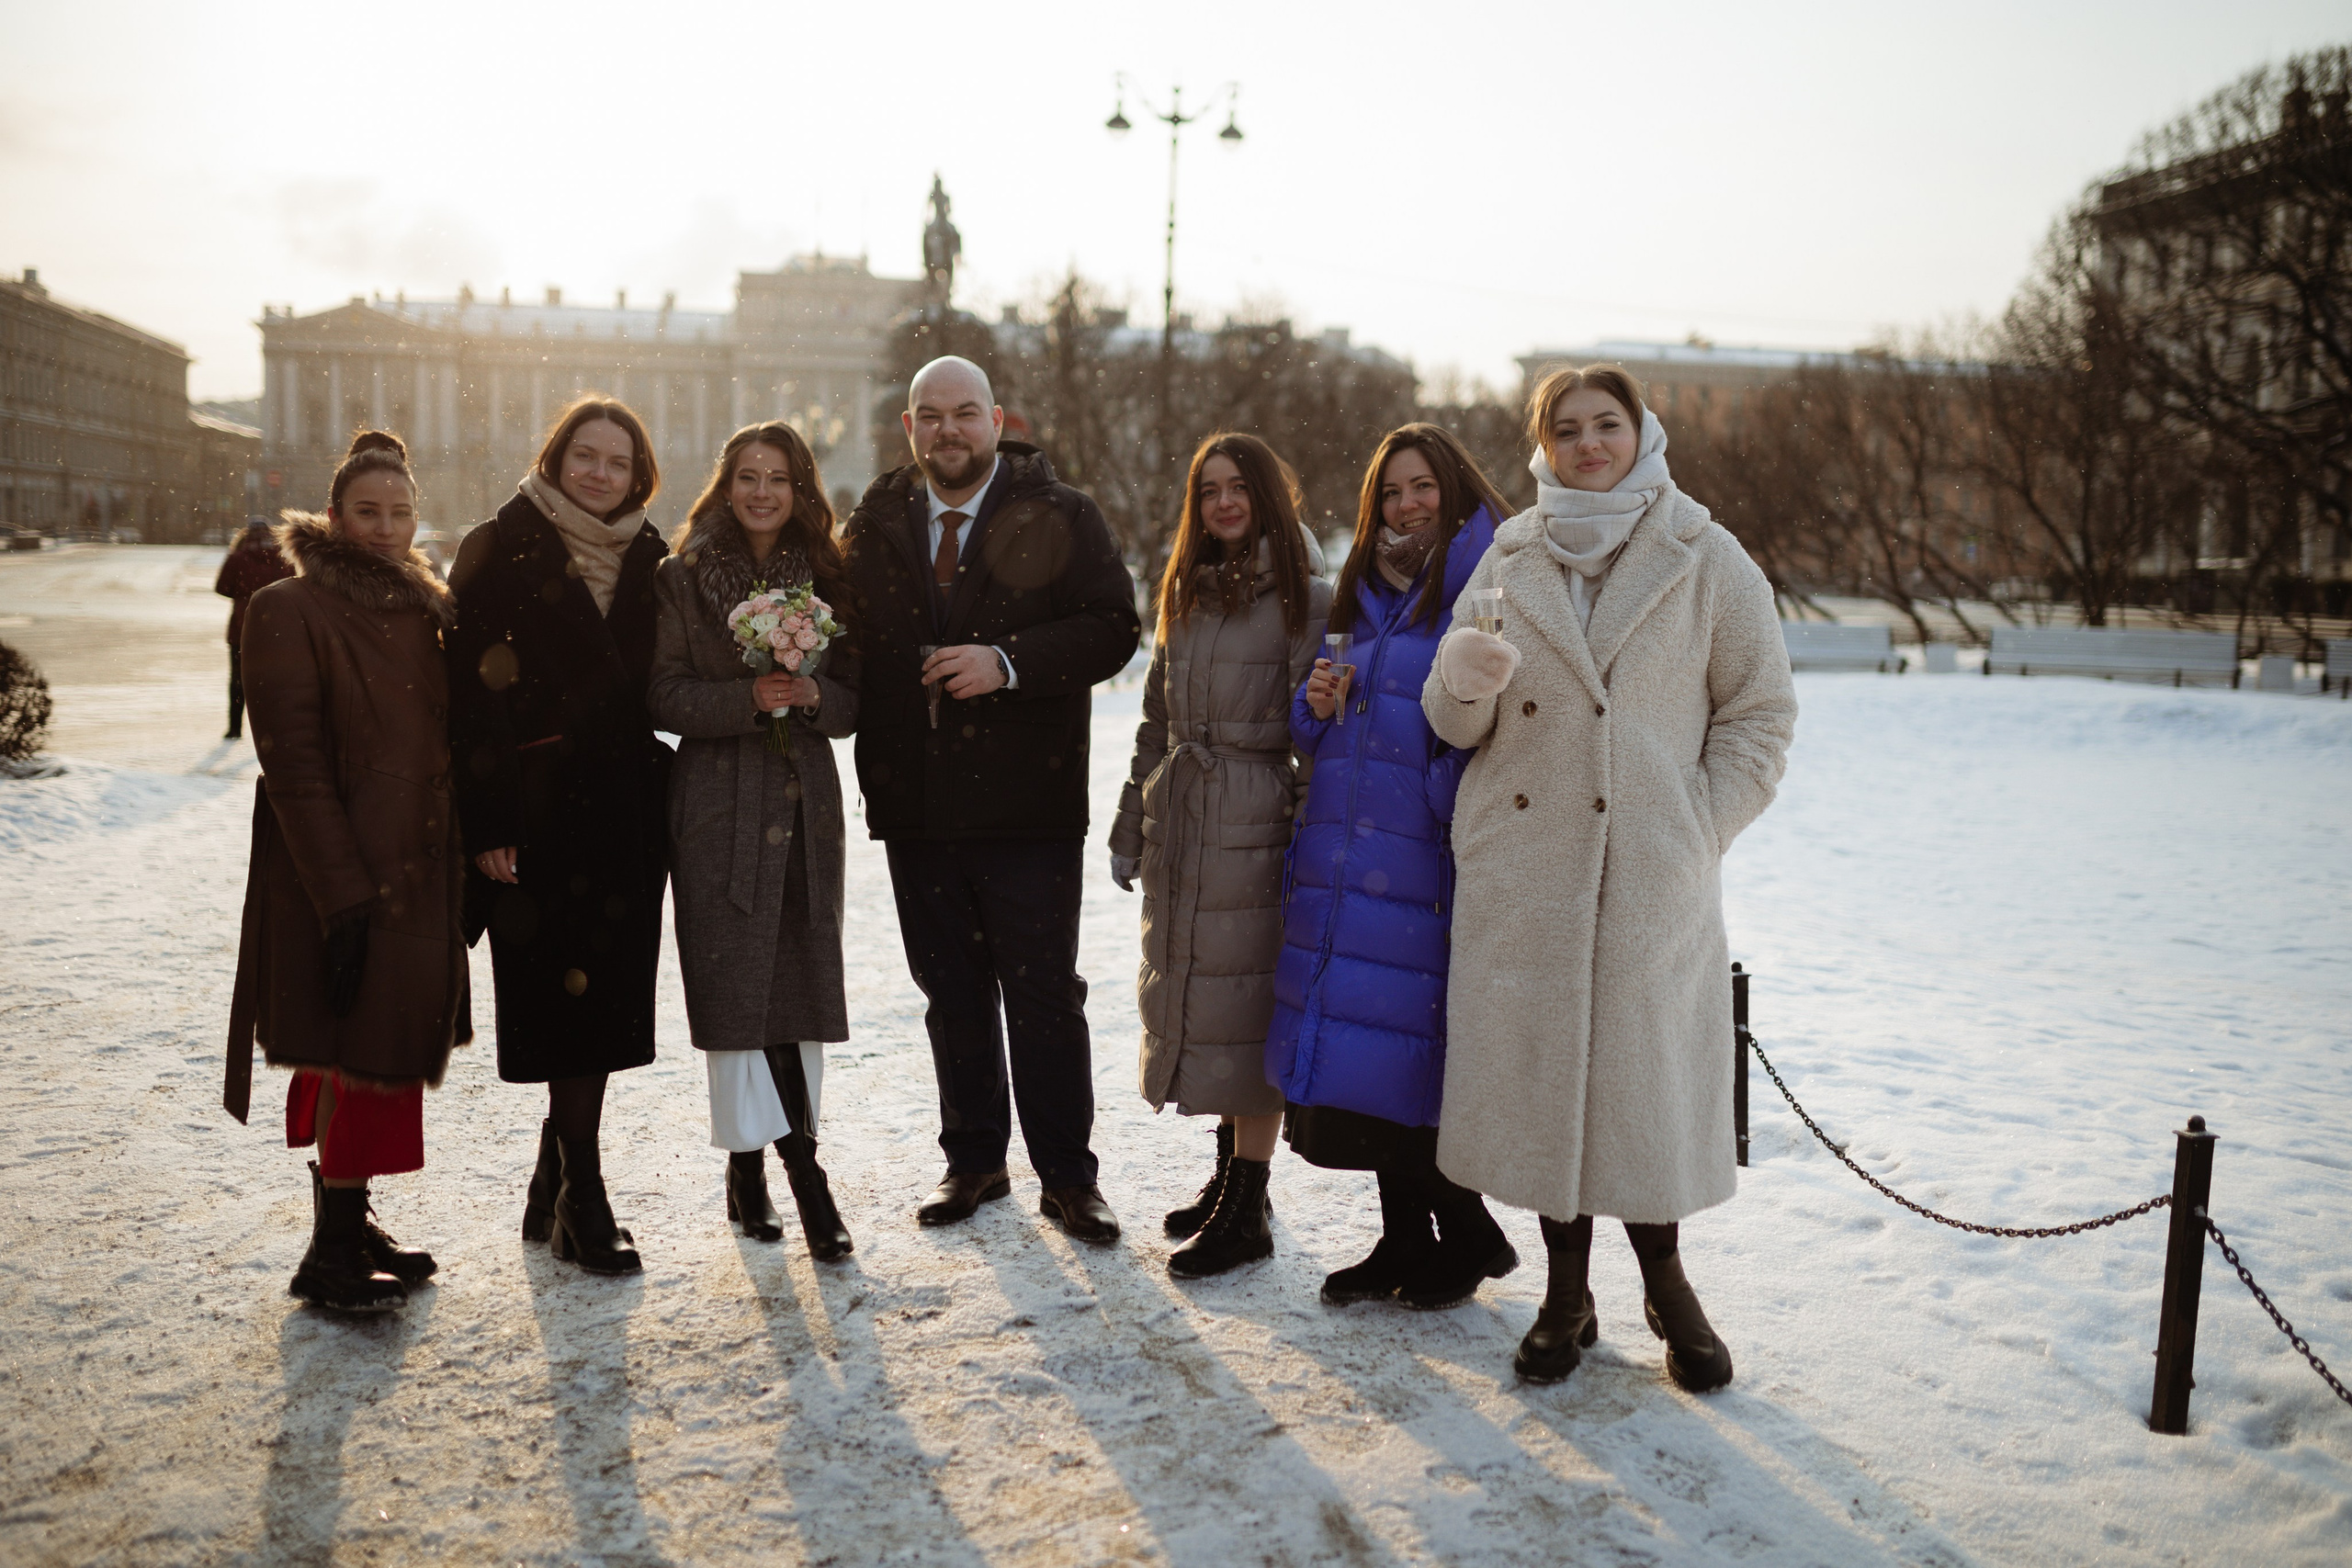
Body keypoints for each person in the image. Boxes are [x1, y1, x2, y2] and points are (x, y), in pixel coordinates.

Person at [1423, 366, 1797, 1391]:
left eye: (1606, 426)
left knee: (1639, 1087)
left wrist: (1691, 829)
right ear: (1543, 446)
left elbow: (1760, 715)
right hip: (1528, 870)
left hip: (1647, 877)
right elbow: (1454, 722)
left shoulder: (1705, 557)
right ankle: (1564, 1291)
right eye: (1568, 430)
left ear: (1641, 433)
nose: (1589, 445)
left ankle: (1667, 1285)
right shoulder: (1509, 557)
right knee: (1550, 1082)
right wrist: (1457, 679)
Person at [842, 355, 1141, 1242]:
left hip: (1027, 806)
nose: (948, 430)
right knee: (952, 993)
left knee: (1045, 994)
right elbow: (850, 641)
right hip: (917, 805)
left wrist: (1005, 662)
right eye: (930, 415)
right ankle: (974, 1159)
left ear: (997, 420)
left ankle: (1069, 1177)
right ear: (909, 428)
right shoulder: (874, 524)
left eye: (965, 413)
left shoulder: (1060, 511)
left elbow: (1111, 628)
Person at [1264, 423, 1518, 1310]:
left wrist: (1438, 792)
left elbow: (1499, 736)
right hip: (1349, 859)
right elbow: (1323, 734)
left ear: (1453, 490)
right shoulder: (1366, 593)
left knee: (1415, 1061)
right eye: (1390, 494)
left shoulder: (1490, 587)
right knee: (1378, 1066)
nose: (1406, 506)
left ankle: (1472, 1235)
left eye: (1422, 488)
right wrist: (1316, 705)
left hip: (1425, 864)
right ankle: (1404, 1239)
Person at [222, 432, 467, 1313]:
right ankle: (329, 1254)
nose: (387, 529)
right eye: (368, 512)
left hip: (415, 865)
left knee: (368, 1057)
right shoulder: (288, 605)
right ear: (332, 517)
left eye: (401, 513)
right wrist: (342, 895)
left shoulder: (426, 607)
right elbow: (294, 765)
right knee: (358, 1056)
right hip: (341, 872)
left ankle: (347, 1219)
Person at [447, 396, 670, 1276]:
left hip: (621, 819)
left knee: (604, 1006)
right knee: (559, 1003)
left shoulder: (652, 556)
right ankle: (586, 1196)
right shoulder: (500, 542)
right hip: (535, 819)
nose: (599, 474)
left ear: (637, 475)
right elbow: (467, 692)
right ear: (556, 456)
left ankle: (556, 1171)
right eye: (586, 455)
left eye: (617, 462)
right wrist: (490, 817)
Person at [1109, 433, 1330, 1279]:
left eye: (1241, 487)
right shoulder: (1185, 594)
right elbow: (1156, 722)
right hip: (1187, 816)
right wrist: (1134, 821)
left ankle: (1249, 1205)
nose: (1225, 503)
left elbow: (1319, 738)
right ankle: (1232, 1177)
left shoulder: (1306, 600)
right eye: (1210, 490)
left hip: (1256, 821)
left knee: (1246, 1015)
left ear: (1271, 496)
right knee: (1206, 1004)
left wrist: (1308, 843)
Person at [650, 422, 858, 1261]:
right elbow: (661, 694)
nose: (762, 491)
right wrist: (748, 700)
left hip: (805, 804)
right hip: (717, 807)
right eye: (746, 476)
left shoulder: (834, 576)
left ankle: (757, 1162)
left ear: (801, 488)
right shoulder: (682, 574)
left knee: (796, 990)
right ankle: (793, 1173)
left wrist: (810, 695)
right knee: (739, 990)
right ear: (724, 484)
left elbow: (857, 700)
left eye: (778, 477)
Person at [214, 516, 294, 739]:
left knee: (238, 680)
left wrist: (243, 596)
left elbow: (222, 587)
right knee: (273, 681)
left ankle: (234, 728)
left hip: (242, 626)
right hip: (276, 629)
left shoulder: (238, 557)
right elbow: (294, 585)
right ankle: (270, 729)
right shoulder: (283, 558)